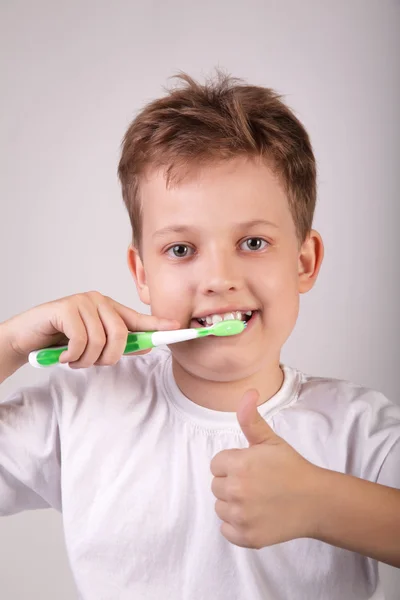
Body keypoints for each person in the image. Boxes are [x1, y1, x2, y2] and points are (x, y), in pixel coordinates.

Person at [1, 72, 399, 600]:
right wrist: (11, 342)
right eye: (182, 250)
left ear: (305, 262)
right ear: (141, 274)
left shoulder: (359, 432)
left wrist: (326, 504)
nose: (218, 278)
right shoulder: (79, 411)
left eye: (253, 241)